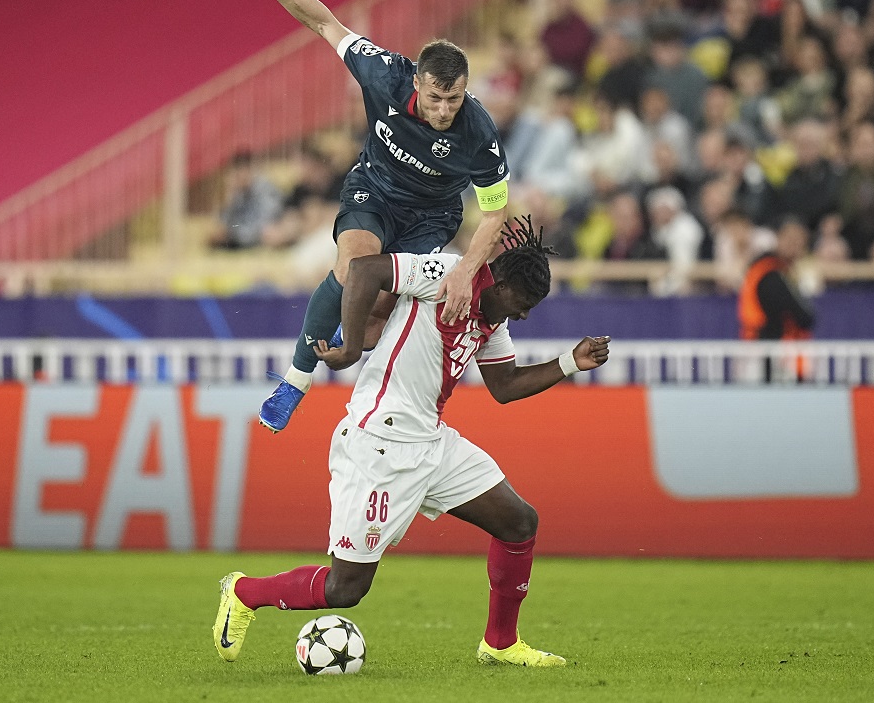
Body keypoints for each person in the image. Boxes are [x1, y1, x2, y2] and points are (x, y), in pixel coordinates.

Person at [212, 217, 610, 668]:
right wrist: (348, 349)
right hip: (378, 442)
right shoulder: (444, 274)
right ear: (498, 283)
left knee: (519, 522)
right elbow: (365, 270)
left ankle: (500, 644)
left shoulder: (490, 320)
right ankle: (244, 592)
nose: (523, 315)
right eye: (523, 303)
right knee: (345, 590)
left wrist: (569, 363)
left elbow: (504, 385)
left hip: (431, 442)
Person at [223, 0, 512, 433]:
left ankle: (376, 408)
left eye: (455, 98)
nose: (445, 109)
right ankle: (295, 380)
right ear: (417, 82)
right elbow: (323, 22)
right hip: (373, 190)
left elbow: (496, 212)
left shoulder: (478, 131)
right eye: (436, 97)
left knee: (376, 319)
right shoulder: (383, 72)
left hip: (432, 217)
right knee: (353, 265)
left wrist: (467, 269)